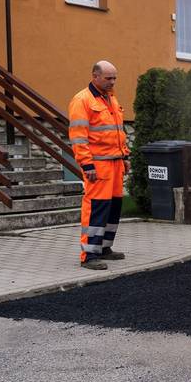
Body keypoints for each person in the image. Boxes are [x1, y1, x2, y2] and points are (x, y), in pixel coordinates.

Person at [68, 61, 129, 270]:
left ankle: (104, 248)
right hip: (98, 167)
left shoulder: (110, 98)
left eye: (114, 78)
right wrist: (87, 166)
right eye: (108, 78)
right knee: (96, 209)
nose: (112, 82)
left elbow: (118, 130)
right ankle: (89, 255)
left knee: (112, 208)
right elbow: (78, 138)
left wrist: (125, 157)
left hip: (115, 164)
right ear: (95, 76)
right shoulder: (82, 100)